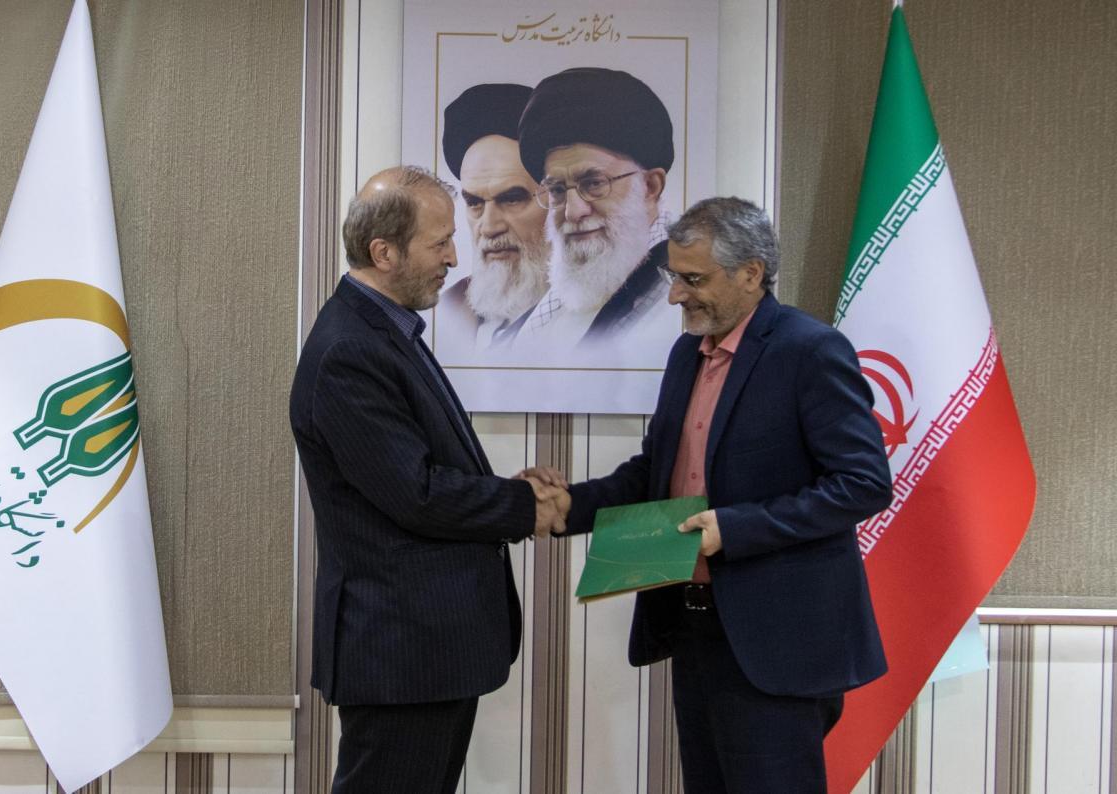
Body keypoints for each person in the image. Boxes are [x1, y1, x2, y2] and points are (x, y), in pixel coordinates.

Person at [523, 197, 892, 793]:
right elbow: (656, 472)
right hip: (694, 624)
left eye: (693, 279)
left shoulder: (809, 350)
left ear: (751, 273)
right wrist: (570, 506)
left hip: (777, 641)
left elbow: (863, 483)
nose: (675, 295)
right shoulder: (685, 354)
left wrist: (736, 529)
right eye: (673, 276)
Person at [289, 165, 567, 794]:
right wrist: (524, 505)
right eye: (439, 243)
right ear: (384, 253)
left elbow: (415, 470)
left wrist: (508, 489)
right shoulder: (349, 351)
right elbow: (414, 494)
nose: (454, 258)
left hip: (425, 648)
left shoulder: (384, 330)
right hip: (402, 651)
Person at [516, 66, 677, 348]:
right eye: (557, 190)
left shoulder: (680, 295)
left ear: (650, 187)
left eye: (593, 184)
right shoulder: (541, 313)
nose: (572, 212)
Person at [437, 83, 551, 349]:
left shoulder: (606, 315)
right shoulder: (446, 312)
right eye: (474, 203)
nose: (489, 227)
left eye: (512, 199)